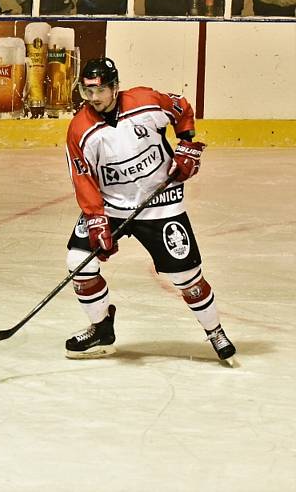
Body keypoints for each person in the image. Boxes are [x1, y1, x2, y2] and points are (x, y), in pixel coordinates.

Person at [62, 57, 236, 363]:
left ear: (115, 87)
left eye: (100, 89)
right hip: (112, 204)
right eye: (88, 91)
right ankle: (101, 329)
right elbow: (83, 179)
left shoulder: (145, 102)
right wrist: (97, 222)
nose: (94, 98)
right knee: (79, 262)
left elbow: (180, 107)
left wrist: (186, 145)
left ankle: (214, 330)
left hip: (161, 202)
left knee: (187, 276)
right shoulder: (80, 129)